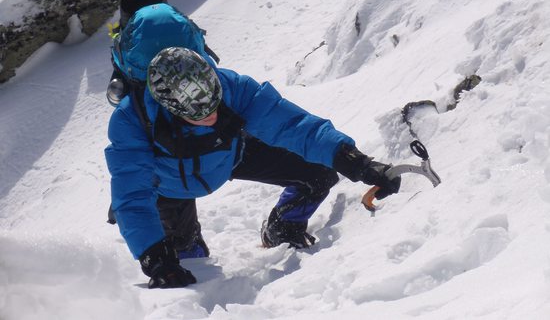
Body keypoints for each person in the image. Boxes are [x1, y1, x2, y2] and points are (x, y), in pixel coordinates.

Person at [105, 47, 401, 289]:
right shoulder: (132, 121)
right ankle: (187, 257)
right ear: (171, 106)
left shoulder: (234, 88)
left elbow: (295, 127)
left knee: (319, 174)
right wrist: (155, 256)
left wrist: (356, 162)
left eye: (214, 103)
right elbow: (132, 194)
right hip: (169, 186)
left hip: (231, 155)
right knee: (189, 271)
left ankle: (282, 229)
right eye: (198, 112)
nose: (210, 115)